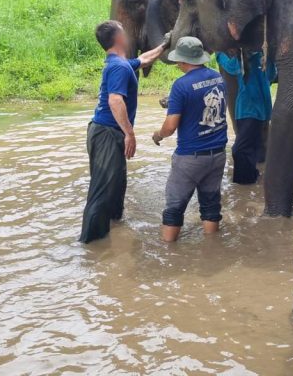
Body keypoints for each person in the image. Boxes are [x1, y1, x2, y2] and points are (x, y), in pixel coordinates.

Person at [80, 20, 165, 244]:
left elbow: (145, 58)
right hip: (107, 133)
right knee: (102, 189)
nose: (127, 34)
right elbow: (115, 100)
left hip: (107, 132)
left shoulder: (120, 63)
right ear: (118, 38)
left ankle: (113, 230)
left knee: (116, 185)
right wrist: (130, 133)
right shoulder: (118, 66)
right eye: (124, 31)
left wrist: (165, 44)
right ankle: (90, 244)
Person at [151, 37, 229, 243]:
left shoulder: (181, 86)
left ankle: (168, 254)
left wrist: (157, 135)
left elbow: (170, 126)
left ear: (183, 61)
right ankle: (212, 248)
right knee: (211, 205)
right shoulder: (218, 78)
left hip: (190, 158)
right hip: (218, 154)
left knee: (174, 208)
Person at [216, 50, 275, 184]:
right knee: (253, 146)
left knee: (239, 149)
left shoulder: (243, 58)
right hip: (262, 110)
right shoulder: (265, 56)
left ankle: (245, 182)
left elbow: (229, 66)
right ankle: (253, 179)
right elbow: (271, 75)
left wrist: (219, 53)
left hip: (248, 110)